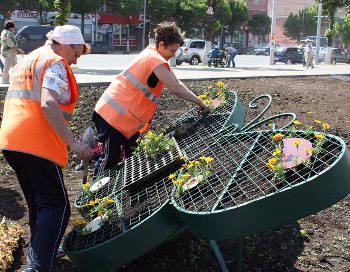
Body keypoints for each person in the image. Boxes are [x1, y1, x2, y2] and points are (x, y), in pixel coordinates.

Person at [0, 25, 93, 272]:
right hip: (37, 144)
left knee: (39, 204)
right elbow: (48, 103)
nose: (74, 61)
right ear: (64, 44)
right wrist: (73, 142)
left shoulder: (28, 60)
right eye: (76, 53)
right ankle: (37, 267)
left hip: (12, 141)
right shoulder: (55, 62)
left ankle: (38, 257)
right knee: (58, 205)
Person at [93, 22, 209, 178]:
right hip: (112, 115)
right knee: (109, 159)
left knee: (134, 157)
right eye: (172, 50)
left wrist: (198, 100)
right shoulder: (154, 59)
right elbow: (175, 88)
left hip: (123, 119)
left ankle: (126, 192)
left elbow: (176, 83)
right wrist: (200, 102)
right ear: (161, 44)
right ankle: (95, 198)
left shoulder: (152, 53)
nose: (173, 55)